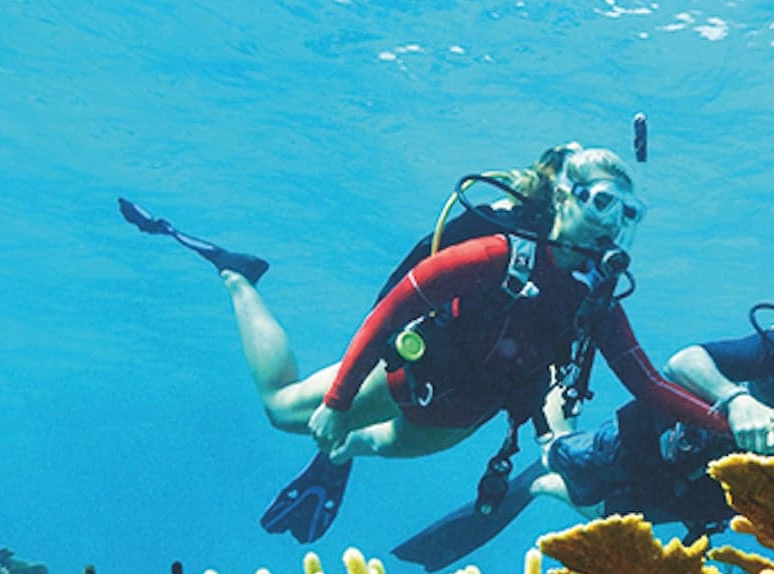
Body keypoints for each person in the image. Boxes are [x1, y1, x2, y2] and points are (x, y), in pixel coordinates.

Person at [143, 144, 726, 543]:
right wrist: (340, 400)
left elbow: (647, 385)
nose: (610, 224)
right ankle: (237, 275)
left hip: (461, 418)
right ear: (564, 195)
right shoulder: (501, 254)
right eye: (599, 202)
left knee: (359, 447)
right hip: (404, 380)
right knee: (279, 408)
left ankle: (336, 454)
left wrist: (733, 421)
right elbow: (395, 307)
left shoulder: (595, 301)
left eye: (627, 214)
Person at [395, 287, 774, 568]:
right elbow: (682, 362)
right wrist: (736, 400)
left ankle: (546, 471)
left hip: (704, 500)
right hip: (653, 441)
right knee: (563, 459)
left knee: (600, 513)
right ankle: (553, 411)